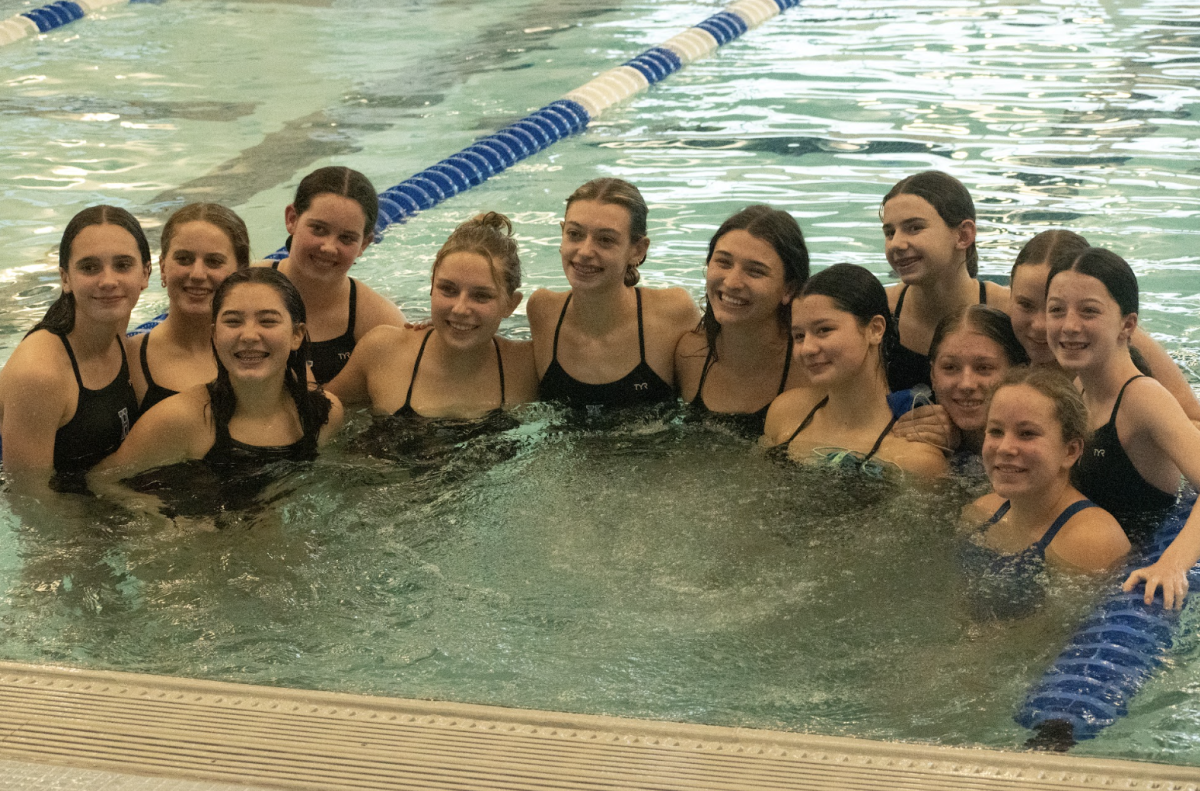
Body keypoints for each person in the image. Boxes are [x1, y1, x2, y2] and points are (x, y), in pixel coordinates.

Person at [89, 268, 343, 514]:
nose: (249, 335)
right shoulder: (182, 419)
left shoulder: (324, 415)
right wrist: (157, 515)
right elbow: (101, 481)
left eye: (268, 321)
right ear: (214, 334)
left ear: (297, 335)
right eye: (232, 321)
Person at [1045, 247, 1200, 608]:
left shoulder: (1142, 398)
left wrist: (1173, 564)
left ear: (1127, 325)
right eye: (1056, 310)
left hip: (1131, 567)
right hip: (1089, 559)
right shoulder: (1078, 388)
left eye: (1089, 311)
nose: (1069, 326)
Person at [327, 213, 537, 459]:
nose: (459, 309)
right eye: (447, 289)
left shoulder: (527, 366)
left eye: (481, 296)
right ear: (431, 286)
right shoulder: (384, 351)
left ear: (510, 304)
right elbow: (318, 412)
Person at [0, 205, 150, 494]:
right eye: (89, 267)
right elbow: (31, 502)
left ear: (145, 274)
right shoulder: (40, 374)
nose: (108, 281)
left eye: (122, 265)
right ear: (65, 278)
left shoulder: (115, 322)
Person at [960, 366, 1129, 619]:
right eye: (995, 431)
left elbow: (1053, 638)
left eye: (1027, 434)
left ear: (1070, 451)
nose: (1005, 447)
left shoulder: (1090, 540)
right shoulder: (981, 512)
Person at [528, 178, 700, 410]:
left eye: (605, 240)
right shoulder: (543, 310)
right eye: (575, 234)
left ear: (637, 250)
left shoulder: (672, 313)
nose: (585, 251)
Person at [763, 264, 946, 478]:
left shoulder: (916, 459)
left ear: (875, 330)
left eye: (824, 330)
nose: (807, 349)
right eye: (799, 336)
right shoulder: (786, 413)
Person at [1008, 229, 1200, 423]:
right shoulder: (996, 332)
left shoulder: (1124, 342)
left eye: (1087, 310)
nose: (1041, 325)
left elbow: (1194, 420)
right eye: (1026, 305)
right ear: (1009, 295)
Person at [258, 166, 406, 383]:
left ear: (364, 243)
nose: (328, 247)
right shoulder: (242, 286)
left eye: (346, 238)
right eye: (318, 229)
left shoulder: (380, 321)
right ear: (292, 219)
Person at [674, 205, 810, 437]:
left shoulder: (810, 369)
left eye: (755, 271)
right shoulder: (689, 354)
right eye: (723, 263)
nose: (732, 282)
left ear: (789, 289)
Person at [880, 171, 1009, 391]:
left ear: (963, 236)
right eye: (890, 232)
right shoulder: (881, 310)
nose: (896, 244)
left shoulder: (1009, 312)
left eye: (915, 228)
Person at [129, 203, 250, 413]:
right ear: (163, 268)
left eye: (214, 261)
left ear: (241, 272)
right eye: (184, 259)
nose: (197, 274)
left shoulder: (263, 350)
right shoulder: (129, 359)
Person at [894, 305, 1029, 457]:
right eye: (950, 367)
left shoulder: (1039, 439)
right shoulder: (905, 413)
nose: (966, 384)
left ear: (1017, 374)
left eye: (984, 368)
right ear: (933, 374)